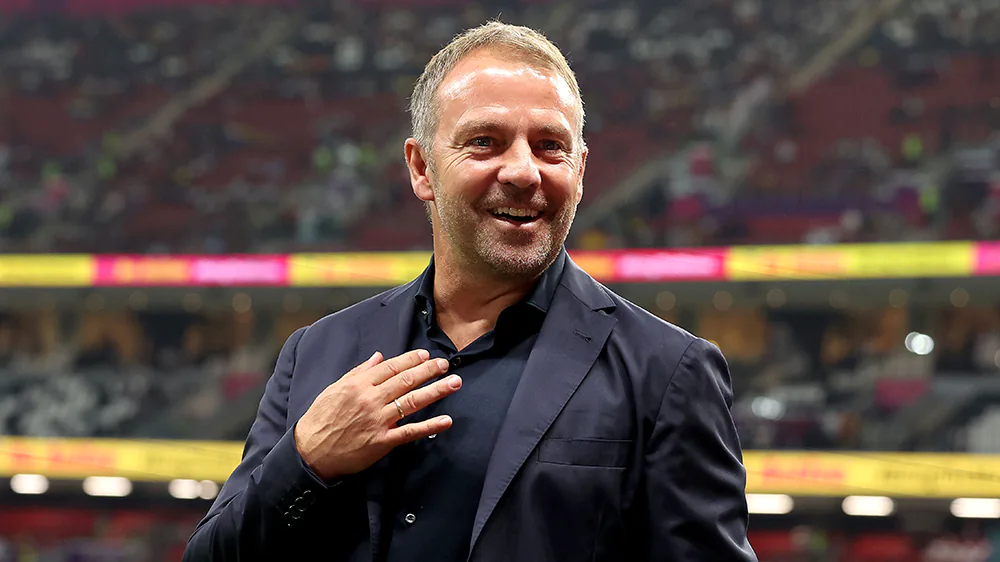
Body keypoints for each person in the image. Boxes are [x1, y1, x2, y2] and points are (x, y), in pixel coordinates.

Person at [184, 21, 756, 562]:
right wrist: (306, 461)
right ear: (422, 169)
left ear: (580, 171)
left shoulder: (668, 372)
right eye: (485, 142)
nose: (523, 171)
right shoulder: (316, 352)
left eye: (550, 146)